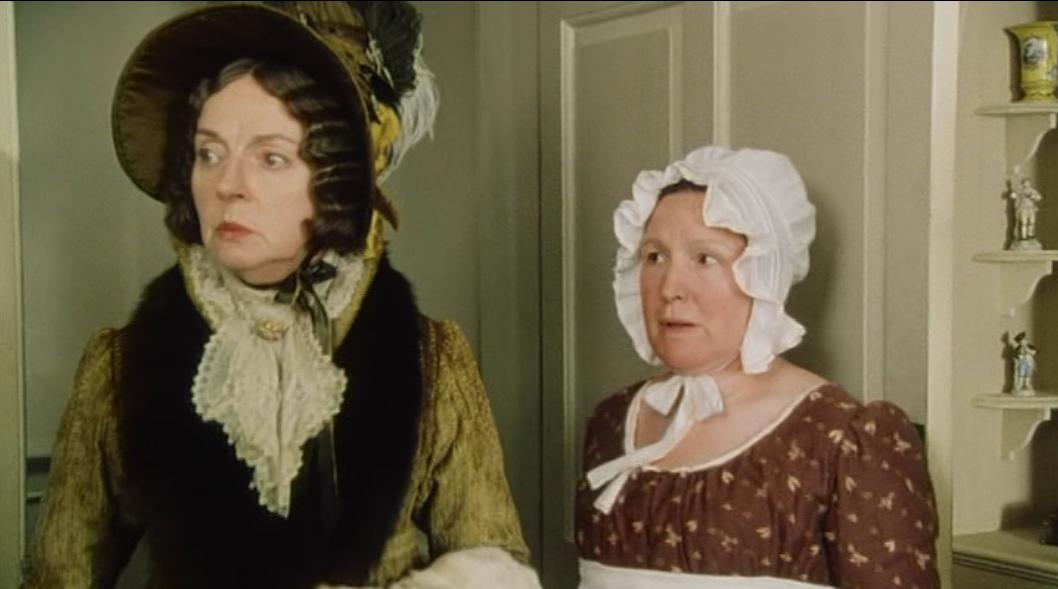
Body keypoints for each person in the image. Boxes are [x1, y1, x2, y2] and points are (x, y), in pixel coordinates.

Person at [22, 3, 540, 588]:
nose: (228, 186)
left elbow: (496, 562)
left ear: (336, 180)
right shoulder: (119, 366)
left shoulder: (434, 360)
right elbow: (57, 577)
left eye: (271, 157)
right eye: (208, 153)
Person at [574, 146, 939, 588]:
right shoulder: (611, 422)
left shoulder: (843, 440)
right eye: (655, 256)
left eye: (705, 258)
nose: (670, 287)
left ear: (765, 274)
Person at [1009, 177, 1043, 249]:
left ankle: (1030, 234)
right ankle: (1023, 236)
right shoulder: (1020, 191)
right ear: (1023, 184)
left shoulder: (1032, 191)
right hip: (1023, 208)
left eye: (1027, 183)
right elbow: (1013, 196)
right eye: (1025, 183)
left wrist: (1033, 197)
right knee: (1024, 222)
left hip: (1031, 208)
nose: (1026, 184)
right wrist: (1014, 193)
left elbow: (1039, 197)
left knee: (1032, 222)